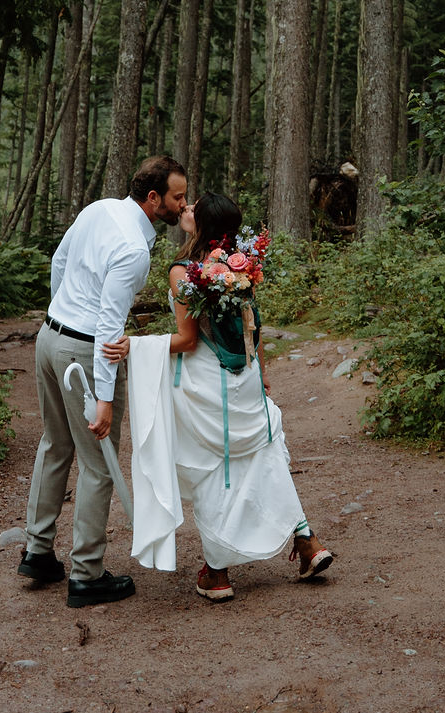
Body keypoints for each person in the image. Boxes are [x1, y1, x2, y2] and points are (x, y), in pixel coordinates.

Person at [104, 190, 332, 602]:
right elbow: (253, 323)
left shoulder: (184, 272)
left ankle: (218, 572)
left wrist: (134, 346)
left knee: (206, 469)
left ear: (203, 224)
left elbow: (187, 341)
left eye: (191, 208)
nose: (184, 209)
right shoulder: (241, 266)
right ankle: (307, 541)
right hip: (243, 377)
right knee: (263, 455)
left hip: (206, 383)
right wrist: (260, 373)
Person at [18, 154, 188, 607]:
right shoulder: (134, 249)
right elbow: (111, 328)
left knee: (55, 444)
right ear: (154, 199)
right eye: (178, 197)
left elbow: (59, 261)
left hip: (49, 338)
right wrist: (106, 400)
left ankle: (37, 551)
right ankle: (87, 574)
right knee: (99, 463)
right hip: (83, 352)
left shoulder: (97, 209)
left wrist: (63, 315)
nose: (182, 205)